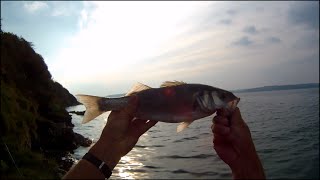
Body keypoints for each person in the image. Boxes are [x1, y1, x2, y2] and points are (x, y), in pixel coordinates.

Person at [63, 95, 265, 179]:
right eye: (221, 97)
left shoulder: (198, 108)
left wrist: (110, 147)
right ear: (202, 97)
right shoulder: (197, 106)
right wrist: (247, 162)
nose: (227, 101)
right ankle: (100, 104)